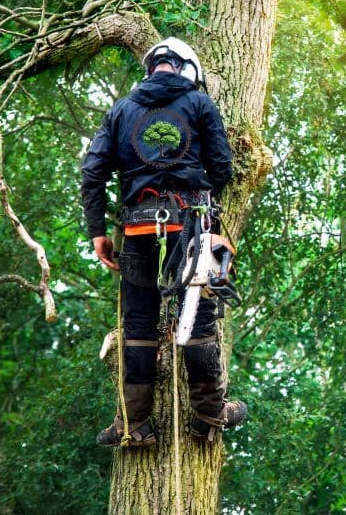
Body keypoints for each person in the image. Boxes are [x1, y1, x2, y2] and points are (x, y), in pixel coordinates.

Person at [81, 37, 247, 446]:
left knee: (138, 323)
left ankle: (134, 425)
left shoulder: (121, 110)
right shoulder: (199, 104)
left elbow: (92, 174)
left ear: (151, 69)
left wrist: (98, 232)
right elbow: (223, 169)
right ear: (188, 69)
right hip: (191, 226)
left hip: (137, 230)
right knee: (200, 320)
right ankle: (208, 415)